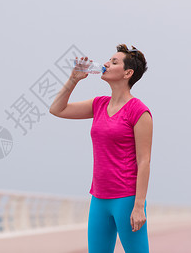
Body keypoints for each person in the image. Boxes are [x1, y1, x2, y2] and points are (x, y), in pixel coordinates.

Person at [49, 44, 152, 253]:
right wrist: (73, 80)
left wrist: (139, 205)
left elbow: (144, 161)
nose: (105, 64)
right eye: (108, 60)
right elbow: (56, 109)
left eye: (114, 62)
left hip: (126, 199)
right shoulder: (99, 105)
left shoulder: (139, 111)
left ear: (128, 73)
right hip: (99, 199)